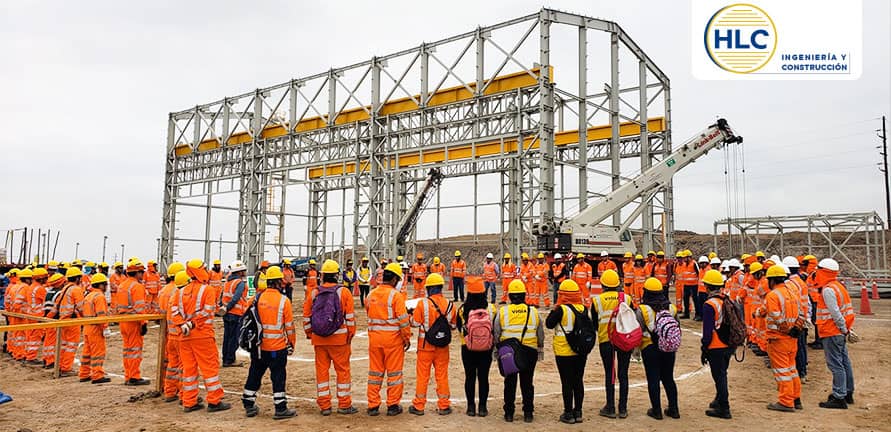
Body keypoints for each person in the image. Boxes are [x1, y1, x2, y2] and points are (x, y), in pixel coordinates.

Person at [174, 261, 231, 413]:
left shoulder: (180, 292)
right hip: (202, 336)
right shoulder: (208, 290)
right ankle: (214, 401)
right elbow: (207, 312)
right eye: (204, 269)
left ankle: (189, 401)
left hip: (184, 337)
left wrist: (182, 325)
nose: (206, 270)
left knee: (189, 370)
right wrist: (192, 324)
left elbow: (174, 312)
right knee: (209, 368)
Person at [304, 259, 358, 416]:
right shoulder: (343, 292)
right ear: (337, 275)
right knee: (342, 371)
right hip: (340, 340)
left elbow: (307, 318)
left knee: (322, 372)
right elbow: (350, 319)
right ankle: (344, 404)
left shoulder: (314, 293)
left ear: (322, 275)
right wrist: (349, 336)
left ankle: (325, 406)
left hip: (319, 339)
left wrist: (311, 334)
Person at [242, 265, 297, 419]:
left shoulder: (257, 298)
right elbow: (289, 327)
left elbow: (246, 319)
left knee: (254, 374)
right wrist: (291, 344)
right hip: (277, 348)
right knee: (278, 377)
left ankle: (248, 403)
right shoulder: (283, 301)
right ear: (279, 282)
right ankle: (280, 408)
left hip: (258, 347)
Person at [365, 263, 412, 416]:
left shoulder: (370, 295)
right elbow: (404, 321)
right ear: (394, 280)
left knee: (375, 374)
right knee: (394, 374)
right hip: (393, 342)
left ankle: (373, 405)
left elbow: (369, 313)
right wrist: (407, 338)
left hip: (374, 341)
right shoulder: (396, 296)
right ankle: (392, 405)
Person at [494, 280, 544, 423]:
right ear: (524, 295)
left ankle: (509, 413)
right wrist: (539, 348)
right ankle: (528, 413)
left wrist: (498, 350)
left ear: (509, 296)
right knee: (527, 383)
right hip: (529, 352)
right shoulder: (533, 311)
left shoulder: (503, 311)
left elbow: (496, 333)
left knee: (509, 382)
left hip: (509, 352)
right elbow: (540, 334)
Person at [409, 273, 457, 416]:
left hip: (425, 346)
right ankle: (444, 406)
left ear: (428, 288)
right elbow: (453, 326)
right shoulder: (450, 305)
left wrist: (411, 315)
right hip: (442, 347)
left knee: (423, 376)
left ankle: (419, 406)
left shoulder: (422, 304)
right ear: (441, 287)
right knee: (442, 375)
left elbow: (415, 323)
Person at [758, 264, 803, 412]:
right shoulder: (793, 292)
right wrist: (796, 329)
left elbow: (776, 316)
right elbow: (802, 313)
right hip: (792, 339)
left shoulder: (773, 295)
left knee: (782, 372)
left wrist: (786, 330)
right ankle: (796, 398)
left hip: (778, 339)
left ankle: (785, 401)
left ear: (772, 280)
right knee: (792, 369)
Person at [813, 258, 855, 409]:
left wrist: (843, 329)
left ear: (823, 272)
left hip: (832, 332)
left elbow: (835, 313)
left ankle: (839, 396)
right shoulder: (838, 287)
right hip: (839, 332)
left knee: (836, 364)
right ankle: (847, 392)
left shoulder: (828, 290)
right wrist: (846, 330)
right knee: (844, 362)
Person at [546, 279, 589, 424]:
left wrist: (555, 308)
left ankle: (568, 413)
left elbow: (549, 324)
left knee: (567, 382)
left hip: (564, 351)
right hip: (580, 351)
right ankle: (578, 411)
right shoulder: (583, 308)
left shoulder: (561, 310)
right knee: (578, 380)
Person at [591, 269, 632, 419]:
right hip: (624, 339)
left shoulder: (597, 301)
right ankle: (623, 408)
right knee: (623, 373)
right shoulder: (626, 298)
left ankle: (610, 406)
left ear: (602, 285)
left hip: (606, 340)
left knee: (610, 374)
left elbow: (594, 324)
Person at [637, 277, 679, 420]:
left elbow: (638, 331)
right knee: (668, 378)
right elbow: (676, 327)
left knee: (653, 379)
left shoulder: (642, 310)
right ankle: (674, 409)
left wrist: (635, 352)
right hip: (668, 348)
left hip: (650, 348)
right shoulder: (671, 308)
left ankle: (656, 410)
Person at [459, 277, 495, 417]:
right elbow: (495, 329)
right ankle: (483, 408)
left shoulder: (463, 310)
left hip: (467, 347)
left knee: (470, 377)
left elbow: (458, 328)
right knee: (483, 377)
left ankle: (470, 407)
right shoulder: (491, 309)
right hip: (486, 348)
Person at [700, 269, 733, 419]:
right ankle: (719, 400)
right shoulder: (725, 299)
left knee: (719, 376)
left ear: (707, 286)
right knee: (722, 373)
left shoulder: (709, 304)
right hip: (728, 344)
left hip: (716, 345)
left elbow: (707, 332)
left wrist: (704, 347)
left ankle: (724, 408)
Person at [114, 259, 150, 385]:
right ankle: (134, 376)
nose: (143, 275)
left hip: (123, 321)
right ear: (137, 273)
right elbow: (140, 308)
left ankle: (128, 375)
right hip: (134, 322)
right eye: (141, 272)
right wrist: (144, 323)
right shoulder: (137, 287)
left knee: (128, 350)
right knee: (135, 350)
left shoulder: (122, 285)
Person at [47, 268, 85, 375]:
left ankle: (60, 366)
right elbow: (81, 307)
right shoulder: (76, 289)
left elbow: (56, 307)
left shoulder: (64, 289)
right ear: (77, 278)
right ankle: (66, 368)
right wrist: (88, 318)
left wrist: (47, 319)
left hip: (63, 320)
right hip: (72, 321)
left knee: (63, 345)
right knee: (71, 346)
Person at [158, 262, 185, 402]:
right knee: (182, 365)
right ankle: (183, 394)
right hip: (179, 333)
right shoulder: (178, 291)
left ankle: (169, 390)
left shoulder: (163, 290)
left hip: (168, 332)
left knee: (171, 364)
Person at [79, 273, 111, 384]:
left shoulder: (88, 296)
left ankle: (84, 373)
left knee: (87, 352)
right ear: (101, 285)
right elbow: (101, 314)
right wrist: (105, 328)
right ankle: (97, 375)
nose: (106, 287)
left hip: (87, 327)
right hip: (96, 328)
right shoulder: (99, 297)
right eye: (105, 284)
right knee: (98, 352)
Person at [784, 256, 811, 383]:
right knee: (802, 346)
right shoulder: (801, 282)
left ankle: (800, 372)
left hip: (796, 319)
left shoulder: (790, 284)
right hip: (803, 317)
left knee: (797, 347)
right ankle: (803, 370)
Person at [220, 260, 249, 368]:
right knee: (234, 338)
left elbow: (223, 296)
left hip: (227, 313)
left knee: (227, 337)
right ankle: (230, 360)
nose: (245, 272)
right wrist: (228, 307)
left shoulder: (228, 282)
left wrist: (224, 308)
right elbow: (236, 298)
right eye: (243, 270)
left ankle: (225, 358)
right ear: (240, 272)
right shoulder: (239, 283)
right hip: (236, 313)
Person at [41, 273, 66, 370]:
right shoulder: (59, 293)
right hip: (54, 319)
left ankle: (46, 359)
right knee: (52, 342)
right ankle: (50, 361)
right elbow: (56, 308)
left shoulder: (49, 292)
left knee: (48, 341)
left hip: (47, 318)